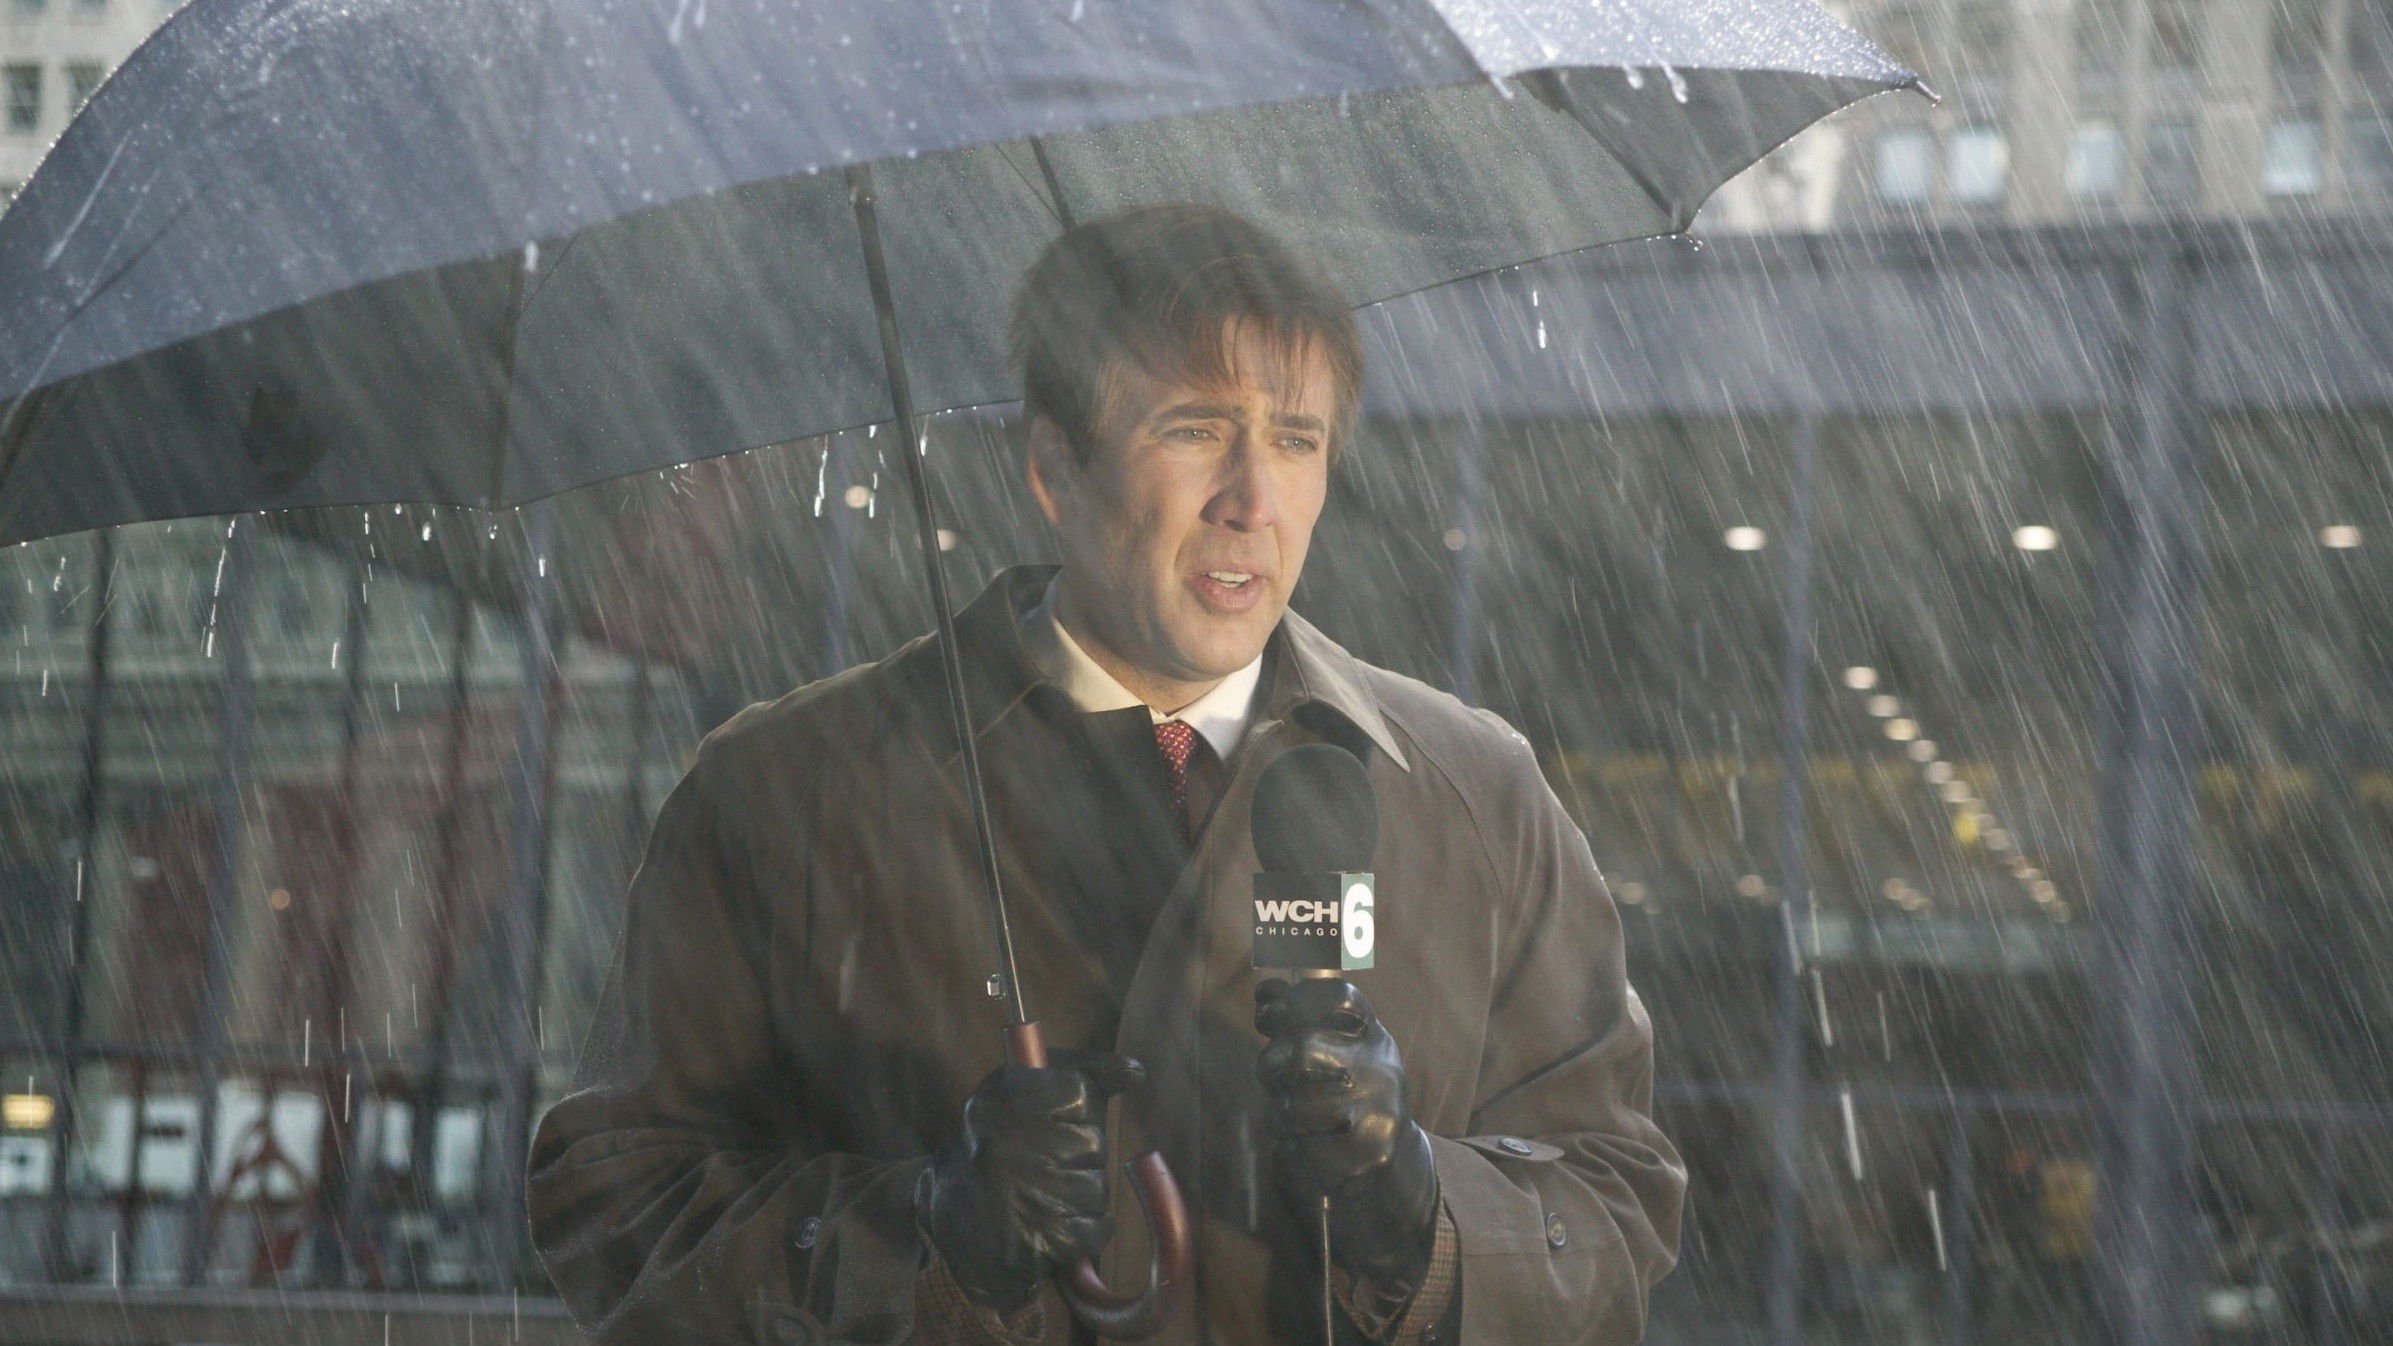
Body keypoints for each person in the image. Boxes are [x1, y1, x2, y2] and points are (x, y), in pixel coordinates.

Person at [528, 203, 1684, 1345]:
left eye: (1294, 438)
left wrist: (1427, 1217)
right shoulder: (779, 791)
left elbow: (1616, 1199)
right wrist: (922, 1236)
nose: (1251, 499)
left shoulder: (1477, 796)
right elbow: (619, 1205)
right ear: (1053, 467)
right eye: (1193, 429)